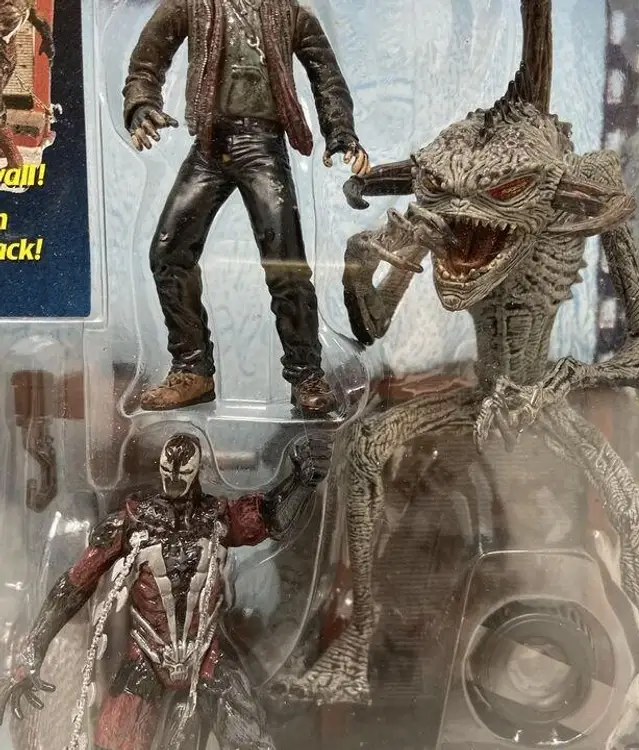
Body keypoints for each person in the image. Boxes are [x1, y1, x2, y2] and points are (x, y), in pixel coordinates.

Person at [0, 431, 330, 750]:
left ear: (196, 471)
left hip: (206, 654)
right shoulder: (134, 523)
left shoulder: (216, 519)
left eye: (181, 472)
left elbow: (271, 517)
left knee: (250, 739)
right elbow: (74, 584)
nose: (173, 479)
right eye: (167, 471)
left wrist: (302, 482)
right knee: (114, 739)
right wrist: (32, 652)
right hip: (147, 656)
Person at [123, 0, 370, 414]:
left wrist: (341, 133)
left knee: (286, 263)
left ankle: (306, 374)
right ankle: (191, 368)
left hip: (264, 147)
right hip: (209, 146)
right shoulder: (192, 5)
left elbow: (326, 78)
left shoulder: (291, 13)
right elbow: (148, 59)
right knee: (168, 253)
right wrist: (141, 105)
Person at [0, 0, 54, 168]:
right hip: (8, 58)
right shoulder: (21, 3)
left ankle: (14, 159)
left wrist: (48, 41)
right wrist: (48, 41)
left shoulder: (8, 8)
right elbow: (37, 18)